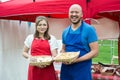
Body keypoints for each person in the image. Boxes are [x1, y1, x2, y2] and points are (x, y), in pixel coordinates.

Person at [60, 4, 99, 80]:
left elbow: (95, 52)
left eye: (76, 12)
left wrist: (76, 60)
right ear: (68, 14)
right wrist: (62, 56)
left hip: (82, 70)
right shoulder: (65, 32)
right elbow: (63, 49)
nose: (74, 14)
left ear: (81, 15)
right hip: (66, 70)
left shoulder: (89, 30)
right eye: (71, 12)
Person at [22, 16, 58, 80]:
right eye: (40, 25)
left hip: (48, 68)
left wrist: (46, 62)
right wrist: (30, 57)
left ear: (47, 26)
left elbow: (54, 55)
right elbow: (24, 52)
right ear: (36, 26)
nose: (42, 27)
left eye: (44, 25)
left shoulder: (52, 38)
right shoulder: (30, 38)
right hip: (34, 69)